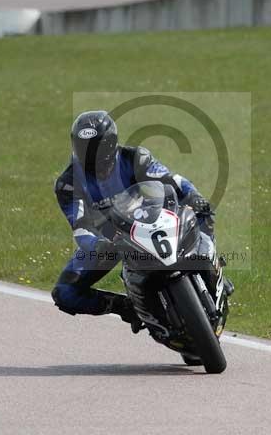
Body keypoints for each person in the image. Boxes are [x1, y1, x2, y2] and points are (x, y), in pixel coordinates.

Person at [52, 110, 212, 327]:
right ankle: (126, 306)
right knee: (65, 293)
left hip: (153, 219)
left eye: (96, 148)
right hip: (111, 240)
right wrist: (97, 244)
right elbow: (80, 225)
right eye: (83, 148)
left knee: (203, 212)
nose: (89, 155)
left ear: (110, 144)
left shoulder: (135, 158)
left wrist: (193, 195)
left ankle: (213, 269)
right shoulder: (68, 183)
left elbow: (170, 179)